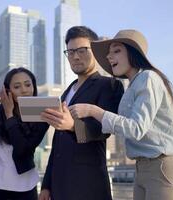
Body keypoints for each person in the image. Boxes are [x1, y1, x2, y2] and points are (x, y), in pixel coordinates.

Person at [69, 29, 173, 200]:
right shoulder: (131, 86)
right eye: (109, 54)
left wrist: (93, 111)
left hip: (163, 166)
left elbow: (136, 129)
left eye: (117, 51)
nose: (109, 57)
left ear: (133, 53)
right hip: (142, 168)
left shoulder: (148, 77)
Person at [38, 26, 124, 200]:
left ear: (96, 51)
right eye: (70, 52)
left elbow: (105, 129)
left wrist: (72, 126)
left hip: (88, 185)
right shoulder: (66, 92)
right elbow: (57, 145)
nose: (75, 56)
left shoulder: (109, 85)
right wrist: (46, 185)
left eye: (82, 50)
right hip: (58, 186)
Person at [0, 67, 49, 200]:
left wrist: (9, 114)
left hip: (25, 189)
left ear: (34, 88)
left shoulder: (41, 115)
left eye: (28, 85)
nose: (24, 90)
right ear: (8, 91)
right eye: (17, 86)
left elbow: (22, 150)